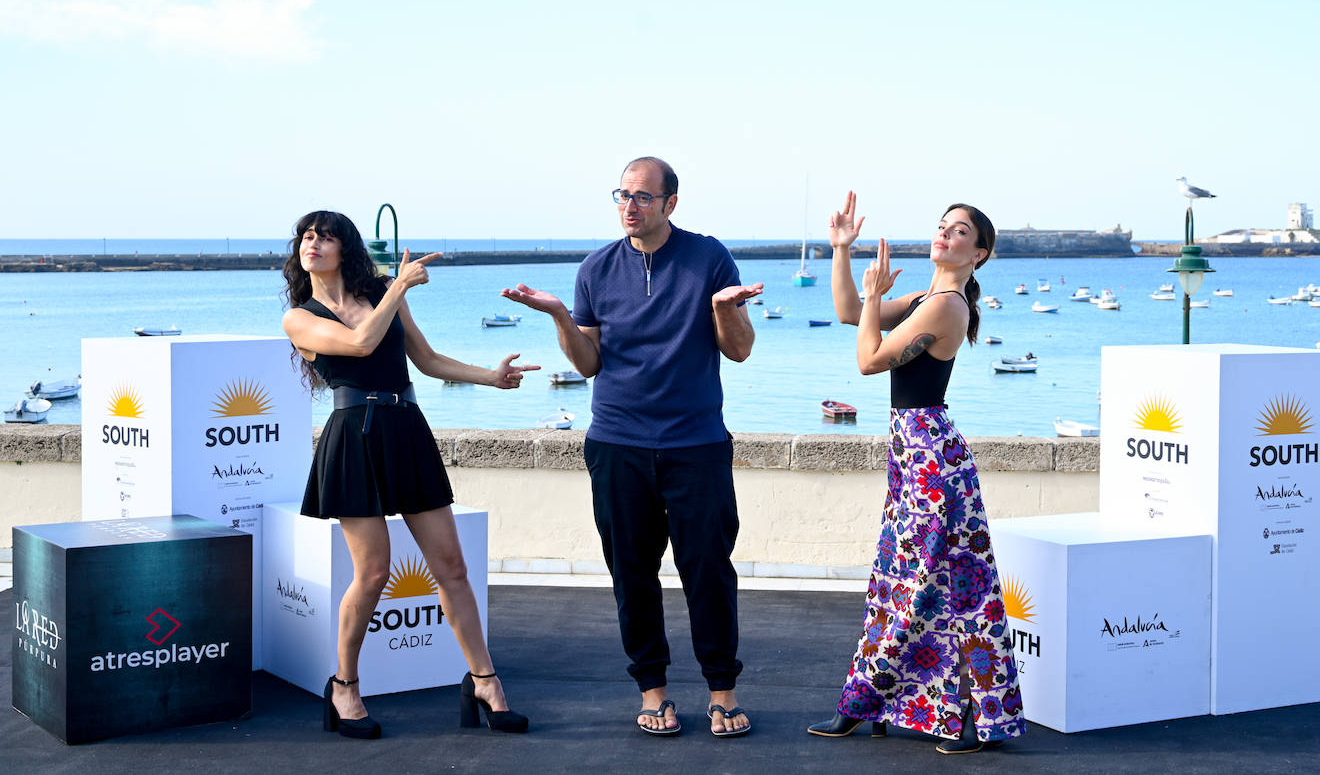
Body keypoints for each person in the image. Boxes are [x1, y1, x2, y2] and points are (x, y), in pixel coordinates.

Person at [502, 157, 763, 738]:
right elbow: (589, 363)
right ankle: (654, 691)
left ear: (671, 203)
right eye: (622, 195)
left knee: (707, 571)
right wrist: (560, 318)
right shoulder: (596, 269)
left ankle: (723, 692)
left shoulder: (709, 257)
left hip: (696, 444)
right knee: (632, 573)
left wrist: (724, 309)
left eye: (643, 196)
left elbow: (739, 350)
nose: (630, 205)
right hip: (617, 444)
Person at [281, 210, 538, 739]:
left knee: (452, 567)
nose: (315, 243)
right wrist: (397, 286)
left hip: (407, 429)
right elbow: (359, 346)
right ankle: (344, 687)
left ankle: (485, 682)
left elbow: (425, 359)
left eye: (326, 236)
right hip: (353, 438)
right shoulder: (299, 317)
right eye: (308, 236)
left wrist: (490, 378)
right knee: (373, 573)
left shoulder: (380, 295)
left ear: (344, 248)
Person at [807, 193, 1026, 754]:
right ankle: (869, 704)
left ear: (978, 254)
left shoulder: (946, 305)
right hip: (913, 454)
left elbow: (868, 359)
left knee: (947, 589)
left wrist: (878, 294)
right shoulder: (929, 296)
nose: (945, 236)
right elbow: (851, 314)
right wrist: (841, 250)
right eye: (942, 227)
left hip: (933, 460)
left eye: (959, 232)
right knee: (898, 582)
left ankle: (976, 720)